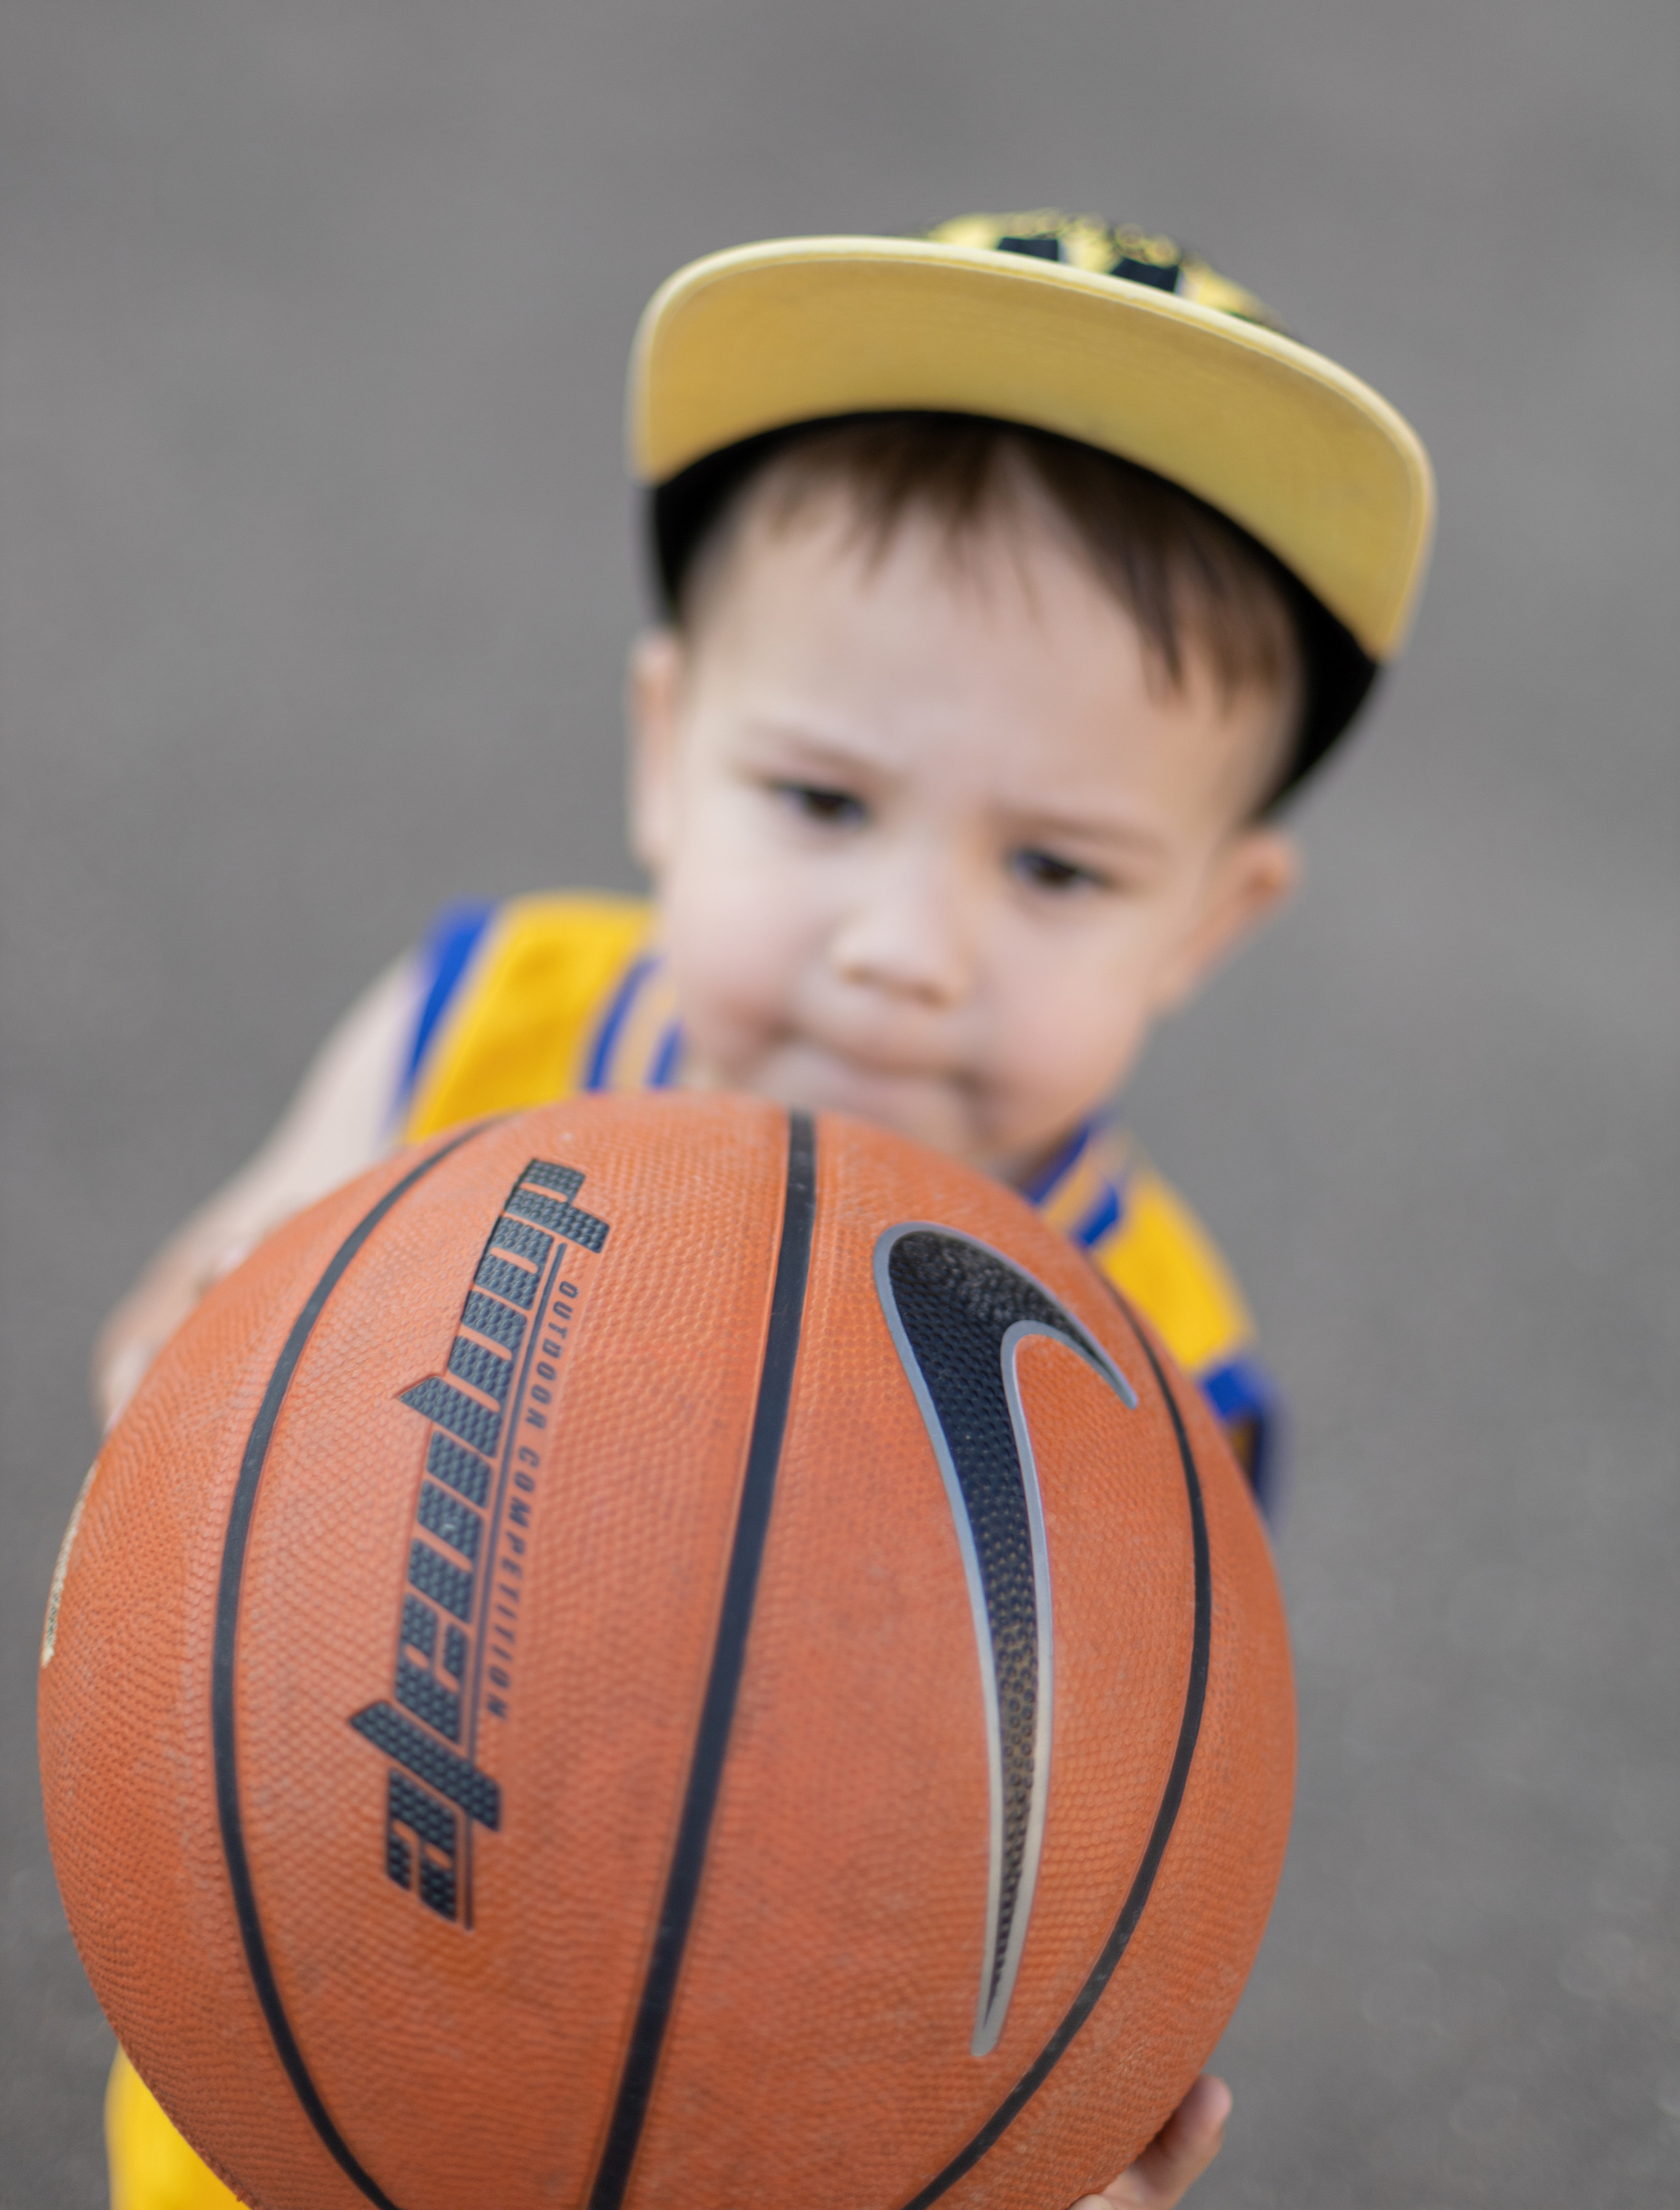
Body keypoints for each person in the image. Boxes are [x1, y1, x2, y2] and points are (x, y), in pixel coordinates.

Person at [94, 212, 1435, 2210]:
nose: (905, 949)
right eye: (822, 804)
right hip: (297, 2057)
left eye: (1058, 871)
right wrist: (186, 1488)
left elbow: (1087, 1875)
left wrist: (1048, 2136)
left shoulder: (1150, 1374)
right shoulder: (484, 1017)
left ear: (1209, 925)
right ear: (664, 752)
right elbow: (175, 1371)